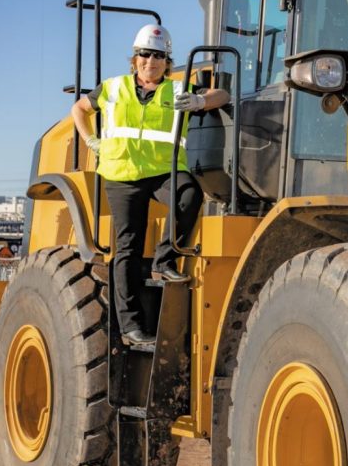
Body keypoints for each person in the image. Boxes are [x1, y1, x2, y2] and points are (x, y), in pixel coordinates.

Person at [70, 24, 230, 346]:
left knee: (189, 194)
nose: (150, 61)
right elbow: (79, 109)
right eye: (145, 54)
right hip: (122, 175)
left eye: (158, 56)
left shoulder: (176, 91)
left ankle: (164, 259)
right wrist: (90, 141)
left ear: (166, 62)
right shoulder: (113, 88)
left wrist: (199, 103)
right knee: (128, 247)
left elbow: (223, 95)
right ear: (135, 59)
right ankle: (131, 326)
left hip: (161, 172)